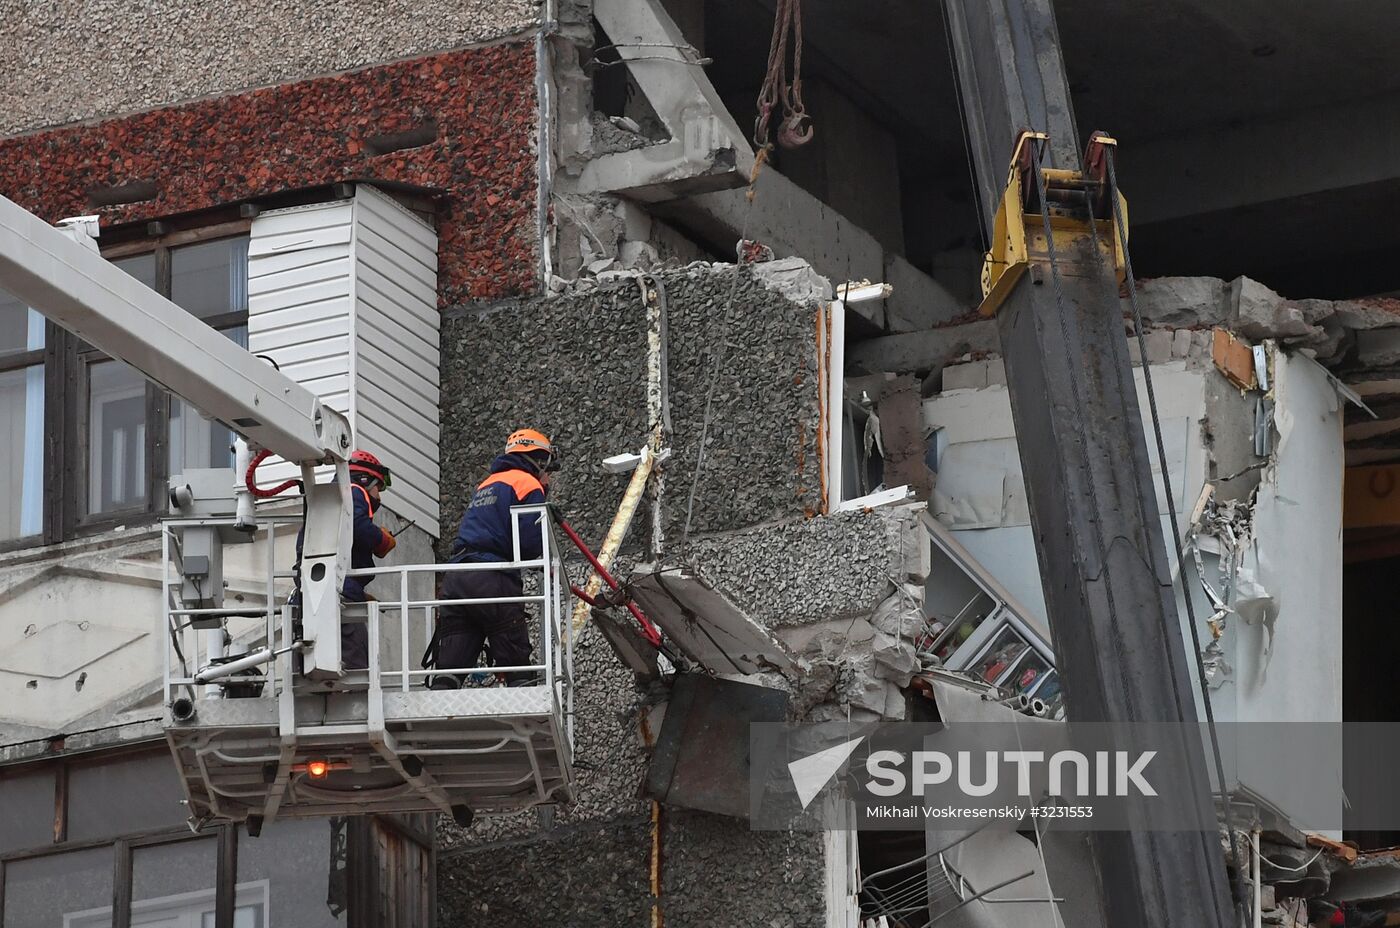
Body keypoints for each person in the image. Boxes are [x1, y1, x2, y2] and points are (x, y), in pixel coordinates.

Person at [427, 429, 558, 689]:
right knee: (515, 659)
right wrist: (542, 564)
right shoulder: (528, 484)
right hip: (492, 578)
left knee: (450, 666)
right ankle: (524, 703)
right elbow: (530, 543)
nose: (549, 476)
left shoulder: (486, 484)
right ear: (539, 461)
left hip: (457, 580)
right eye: (549, 468)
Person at [294, 449, 397, 671]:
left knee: (308, 663)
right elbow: (358, 525)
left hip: (311, 593)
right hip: (339, 593)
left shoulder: (326, 499)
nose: (379, 495)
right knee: (356, 666)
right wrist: (381, 539)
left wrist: (358, 591)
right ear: (366, 479)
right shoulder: (354, 491)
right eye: (379, 486)